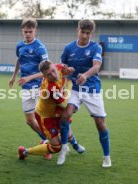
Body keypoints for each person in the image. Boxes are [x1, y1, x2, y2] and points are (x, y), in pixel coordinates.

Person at [57, 19, 111, 167]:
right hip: (75, 89)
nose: (85, 36)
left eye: (88, 33)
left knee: (100, 124)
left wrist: (85, 75)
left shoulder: (95, 47)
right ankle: (64, 149)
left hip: (92, 90)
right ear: (78, 30)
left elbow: (97, 66)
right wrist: (66, 70)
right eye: (83, 32)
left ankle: (106, 156)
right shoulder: (69, 48)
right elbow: (62, 67)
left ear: (91, 33)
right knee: (65, 116)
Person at [18, 60, 85, 161]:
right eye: (49, 75)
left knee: (67, 132)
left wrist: (68, 70)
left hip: (56, 111)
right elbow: (65, 104)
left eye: (53, 70)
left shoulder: (59, 67)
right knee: (56, 147)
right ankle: (24, 152)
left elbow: (65, 69)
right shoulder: (51, 89)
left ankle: (75, 145)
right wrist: (70, 84)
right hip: (46, 117)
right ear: (44, 76)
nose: (53, 75)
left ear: (55, 66)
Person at [9, 18, 50, 158]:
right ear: (22, 31)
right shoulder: (19, 46)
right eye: (25, 31)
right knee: (29, 120)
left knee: (43, 118)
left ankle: (51, 145)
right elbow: (19, 60)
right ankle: (47, 140)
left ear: (35, 31)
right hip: (26, 87)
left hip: (40, 86)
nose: (27, 34)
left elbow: (46, 70)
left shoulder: (40, 47)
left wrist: (29, 77)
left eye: (30, 31)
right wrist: (14, 76)